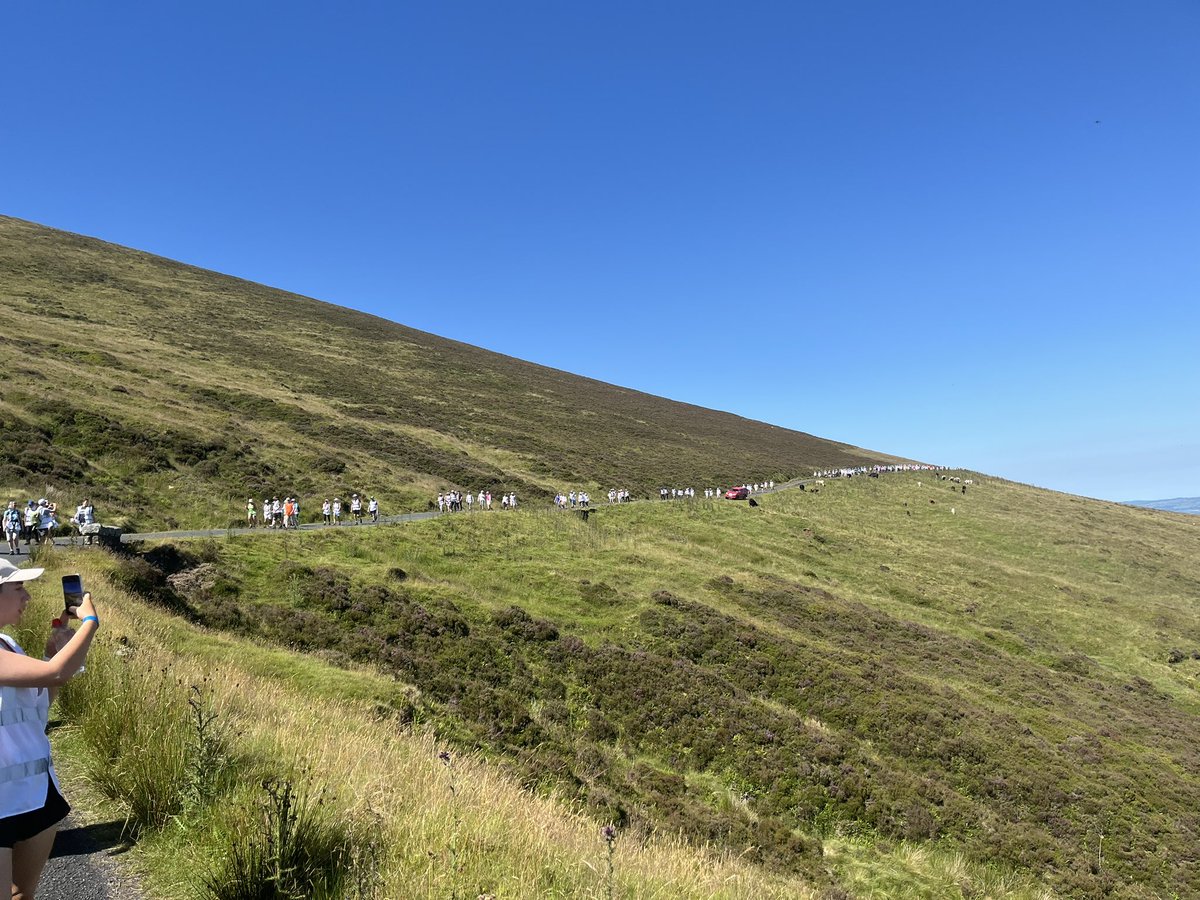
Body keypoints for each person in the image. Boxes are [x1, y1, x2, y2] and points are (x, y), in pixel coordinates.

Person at [0, 559, 100, 899]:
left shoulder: (9, 645)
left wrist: (50, 654)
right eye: (18, 589)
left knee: (23, 894)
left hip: (36, 793)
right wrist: (90, 621)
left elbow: (39, 708)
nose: (26, 596)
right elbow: (57, 673)